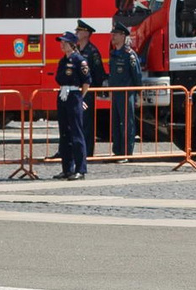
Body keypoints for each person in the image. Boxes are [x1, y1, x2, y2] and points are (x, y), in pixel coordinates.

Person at [53, 23, 97, 181]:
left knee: (77, 134)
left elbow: (86, 81)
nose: (62, 44)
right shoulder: (62, 61)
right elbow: (59, 79)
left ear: (72, 44)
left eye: (64, 42)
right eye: (61, 42)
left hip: (74, 95)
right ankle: (67, 168)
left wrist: (81, 98)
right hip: (63, 95)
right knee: (64, 134)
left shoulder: (79, 60)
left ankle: (80, 169)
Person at [106, 22, 147, 158]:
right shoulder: (113, 54)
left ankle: (127, 152)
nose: (113, 36)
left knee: (127, 123)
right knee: (115, 123)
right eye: (113, 34)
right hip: (116, 93)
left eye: (116, 34)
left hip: (127, 93)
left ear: (123, 36)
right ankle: (117, 151)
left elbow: (137, 75)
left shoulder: (129, 55)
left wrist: (138, 94)